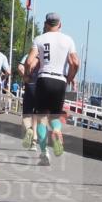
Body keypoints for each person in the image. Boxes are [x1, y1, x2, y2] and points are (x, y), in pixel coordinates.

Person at [25, 13, 79, 165]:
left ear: (46, 24)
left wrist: (28, 75)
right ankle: (56, 131)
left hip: (44, 78)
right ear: (60, 25)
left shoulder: (40, 39)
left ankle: (44, 154)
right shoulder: (68, 40)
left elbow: (29, 61)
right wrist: (69, 78)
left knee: (41, 118)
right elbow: (75, 62)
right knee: (54, 117)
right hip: (59, 80)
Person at [16, 51, 38, 149]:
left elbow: (20, 67)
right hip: (43, 87)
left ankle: (29, 129)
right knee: (36, 115)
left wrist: (25, 77)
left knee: (27, 114)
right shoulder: (46, 57)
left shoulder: (28, 55)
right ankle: (34, 141)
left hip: (31, 85)